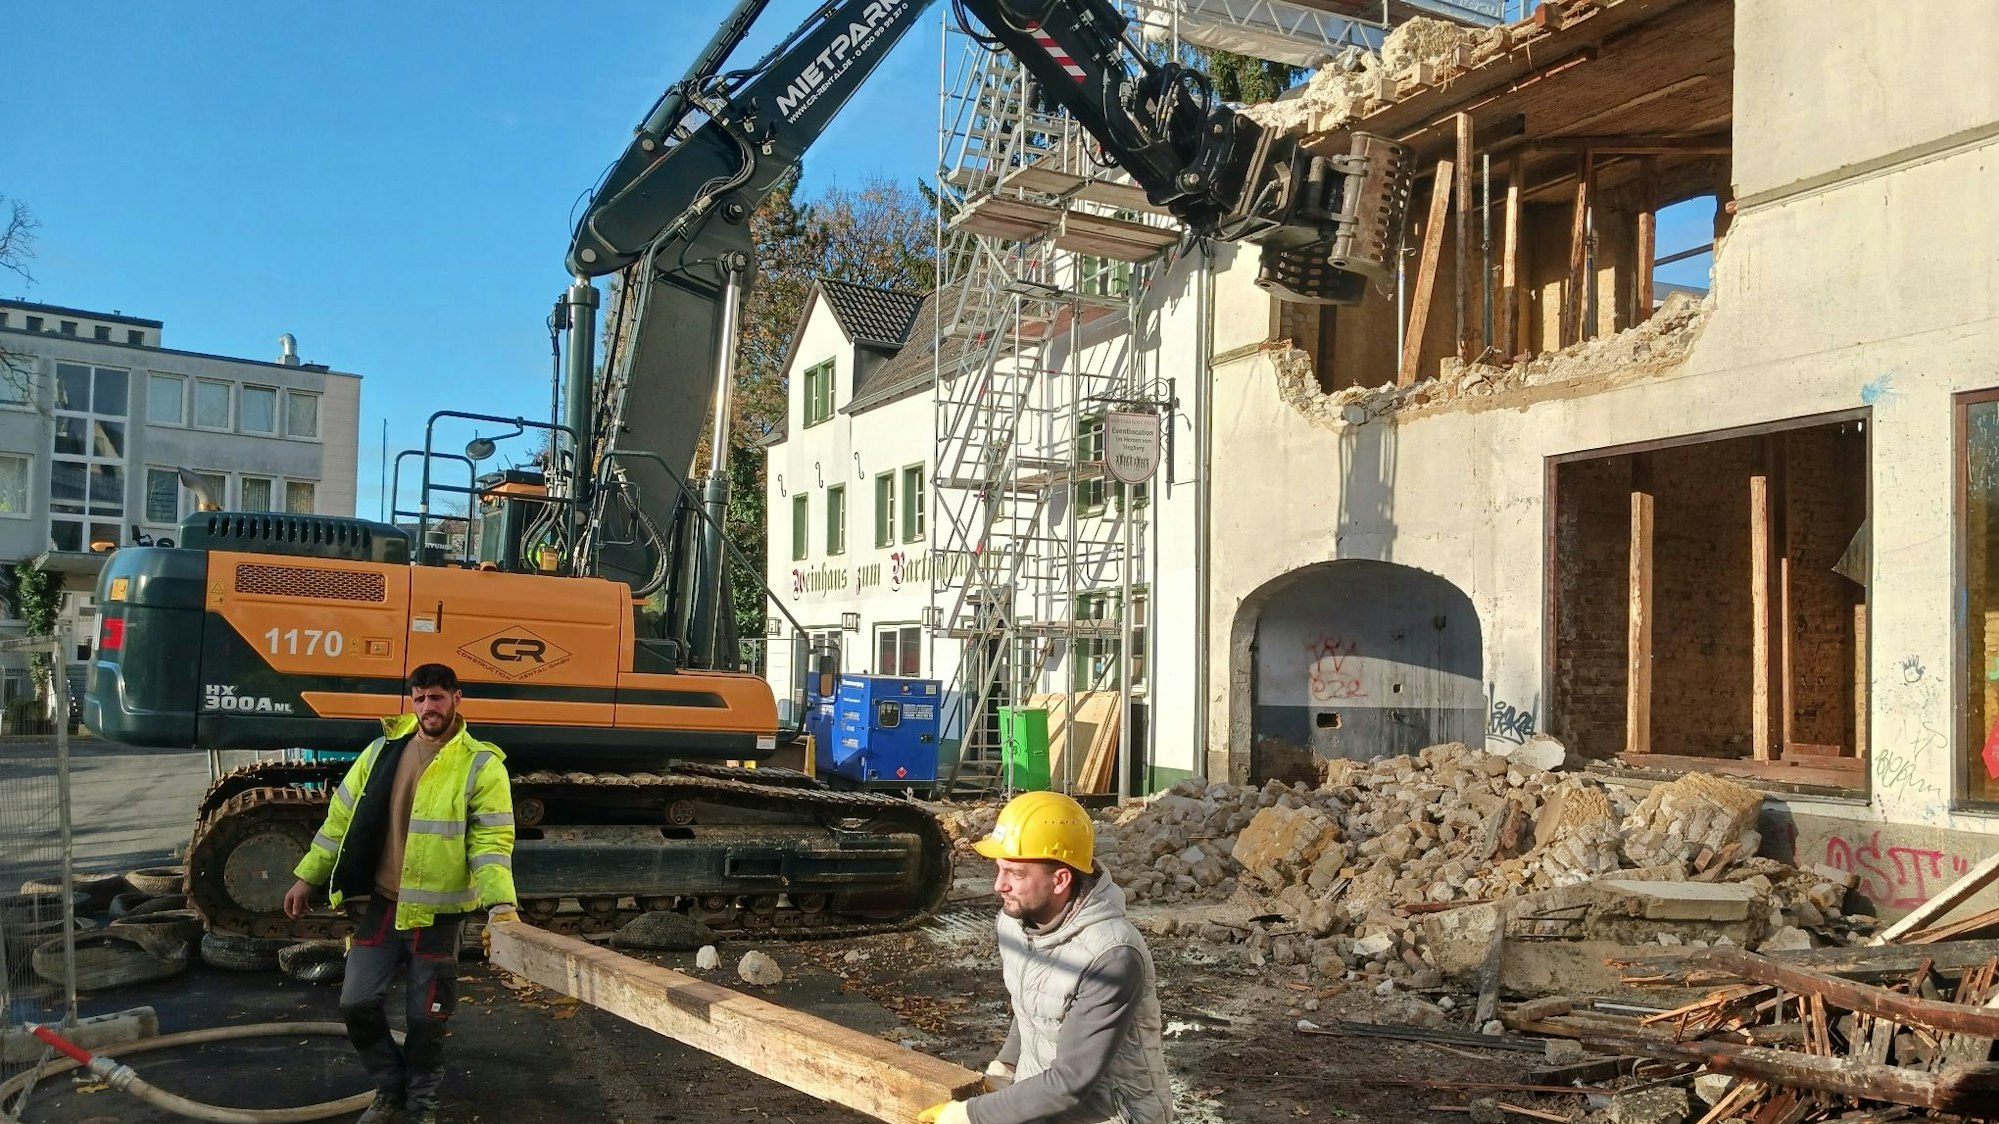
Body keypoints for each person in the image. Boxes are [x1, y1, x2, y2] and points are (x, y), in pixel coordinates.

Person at [283, 663, 518, 1124]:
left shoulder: (480, 764)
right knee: (355, 1003)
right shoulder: (382, 752)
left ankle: (421, 1103)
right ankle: (390, 1089)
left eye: (437, 698)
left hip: (439, 916)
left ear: (457, 699)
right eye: (420, 698)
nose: (428, 707)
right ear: (411, 701)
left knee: (427, 1020)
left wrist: (501, 904)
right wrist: (307, 875)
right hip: (386, 905)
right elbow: (340, 822)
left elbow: (491, 843)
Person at [918, 790, 1171, 1124]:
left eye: (1016, 874)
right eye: (999, 869)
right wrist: (1006, 1065)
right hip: (1043, 1103)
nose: (998, 886)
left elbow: (1070, 1081)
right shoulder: (1014, 922)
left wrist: (970, 1115)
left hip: (1112, 1115)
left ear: (1060, 880)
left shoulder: (1111, 956)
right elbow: (1036, 1003)